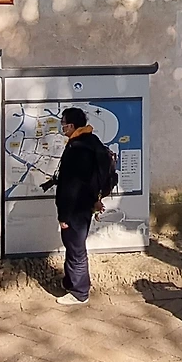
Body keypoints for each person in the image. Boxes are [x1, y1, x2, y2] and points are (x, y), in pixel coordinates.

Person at [41, 106, 118, 306]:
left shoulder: (78, 149)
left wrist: (64, 216)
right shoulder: (91, 141)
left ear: (71, 125)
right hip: (86, 203)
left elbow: (71, 186)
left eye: (63, 123)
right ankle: (70, 282)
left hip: (76, 208)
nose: (62, 127)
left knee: (76, 249)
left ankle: (79, 292)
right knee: (73, 245)